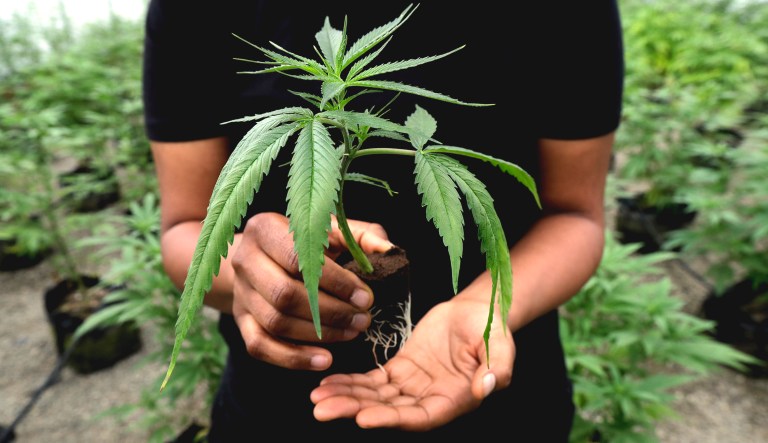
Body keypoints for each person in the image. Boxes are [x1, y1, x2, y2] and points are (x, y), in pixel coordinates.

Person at [142, 1, 624, 440]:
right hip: (281, 409)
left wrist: (486, 306)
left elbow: (576, 215)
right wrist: (246, 283)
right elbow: (185, 229)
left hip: (493, 388)